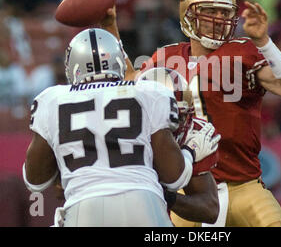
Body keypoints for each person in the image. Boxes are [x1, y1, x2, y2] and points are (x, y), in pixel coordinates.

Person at [103, 0, 281, 227]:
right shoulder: (167, 56)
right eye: (210, 11)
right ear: (188, 14)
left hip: (243, 184)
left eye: (225, 13)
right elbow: (131, 84)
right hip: (192, 190)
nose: (219, 19)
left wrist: (264, 42)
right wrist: (111, 28)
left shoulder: (242, 50)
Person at [23, 28, 219, 227]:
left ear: (72, 67)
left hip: (84, 208)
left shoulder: (52, 99)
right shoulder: (150, 91)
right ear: (118, 61)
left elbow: (35, 181)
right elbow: (174, 179)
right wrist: (190, 152)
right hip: (145, 205)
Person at [137, 67, 220, 224]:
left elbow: (210, 209)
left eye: (178, 117)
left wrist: (164, 195)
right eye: (168, 117)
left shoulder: (193, 136)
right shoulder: (119, 135)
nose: (174, 125)